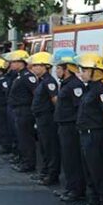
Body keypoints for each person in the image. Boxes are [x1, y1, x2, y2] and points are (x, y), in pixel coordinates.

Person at [74, 53, 103, 205]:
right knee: (90, 171)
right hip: (86, 135)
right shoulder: (89, 89)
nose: (81, 73)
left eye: (84, 70)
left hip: (96, 136)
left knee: (99, 172)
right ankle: (93, 202)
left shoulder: (101, 90)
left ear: (95, 71)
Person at [52, 49, 86, 204]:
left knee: (73, 159)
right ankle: (70, 187)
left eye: (59, 68)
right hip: (63, 126)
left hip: (71, 128)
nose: (56, 71)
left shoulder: (75, 85)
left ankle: (76, 190)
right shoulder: (66, 84)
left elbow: (79, 108)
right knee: (67, 159)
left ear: (67, 69)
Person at [28, 52, 61, 186]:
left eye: (36, 65)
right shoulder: (42, 81)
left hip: (48, 119)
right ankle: (45, 172)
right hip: (41, 118)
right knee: (43, 147)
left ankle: (52, 175)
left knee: (50, 148)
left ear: (45, 66)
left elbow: (55, 101)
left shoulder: (49, 82)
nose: (33, 68)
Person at [7, 50, 38, 173]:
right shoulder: (20, 75)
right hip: (18, 110)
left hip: (25, 111)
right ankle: (23, 159)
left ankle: (29, 163)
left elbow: (35, 93)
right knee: (21, 137)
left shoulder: (28, 77)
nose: (11, 64)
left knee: (26, 138)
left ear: (21, 63)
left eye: (14, 62)